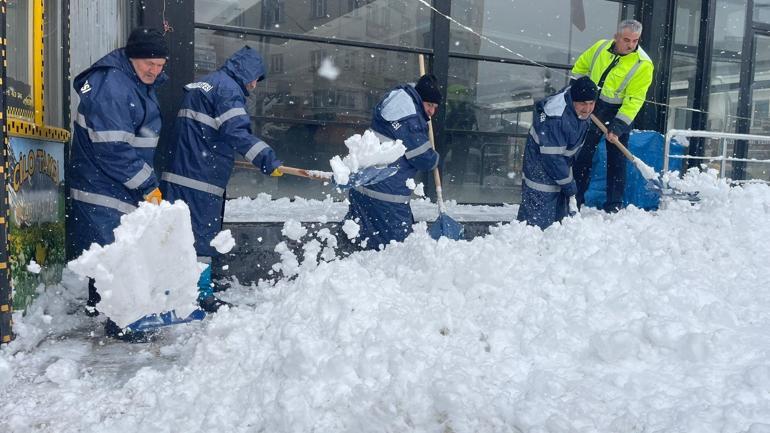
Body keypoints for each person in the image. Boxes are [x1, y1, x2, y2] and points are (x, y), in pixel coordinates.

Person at [160, 46, 282, 312]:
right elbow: (236, 132)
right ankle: (199, 295)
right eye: (254, 78)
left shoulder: (208, 83)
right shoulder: (228, 90)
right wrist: (266, 158)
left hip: (182, 171)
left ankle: (175, 291)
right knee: (201, 237)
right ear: (246, 72)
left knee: (178, 236)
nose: (254, 85)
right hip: (199, 177)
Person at [67, 27, 168, 334]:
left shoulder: (133, 82)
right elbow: (112, 149)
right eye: (148, 62)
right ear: (131, 57)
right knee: (118, 255)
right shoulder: (113, 84)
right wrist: (147, 184)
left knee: (110, 253)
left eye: (160, 64)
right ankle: (125, 323)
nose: (154, 69)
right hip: (102, 187)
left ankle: (102, 308)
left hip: (115, 185)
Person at [344, 75, 441, 250]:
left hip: (364, 189)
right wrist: (434, 158)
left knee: (360, 242)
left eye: (435, 107)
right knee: (394, 251)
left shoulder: (395, 103)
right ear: (420, 99)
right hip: (387, 196)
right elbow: (424, 160)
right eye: (429, 105)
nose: (432, 111)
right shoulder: (410, 119)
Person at [571, 19, 654, 212]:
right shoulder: (600, 47)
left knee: (617, 161)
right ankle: (575, 200)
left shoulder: (643, 64)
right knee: (583, 154)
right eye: (626, 39)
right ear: (616, 36)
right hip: (593, 107)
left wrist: (617, 126)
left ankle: (614, 205)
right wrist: (579, 94)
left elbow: (634, 100)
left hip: (619, 112)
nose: (631, 45)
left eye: (635, 41)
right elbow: (580, 68)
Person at [517, 77, 598, 229]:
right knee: (537, 224)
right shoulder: (556, 118)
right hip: (540, 169)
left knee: (558, 222)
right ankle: (532, 249)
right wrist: (569, 185)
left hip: (560, 168)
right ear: (573, 100)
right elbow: (552, 158)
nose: (587, 109)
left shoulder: (575, 109)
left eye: (591, 103)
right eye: (582, 104)